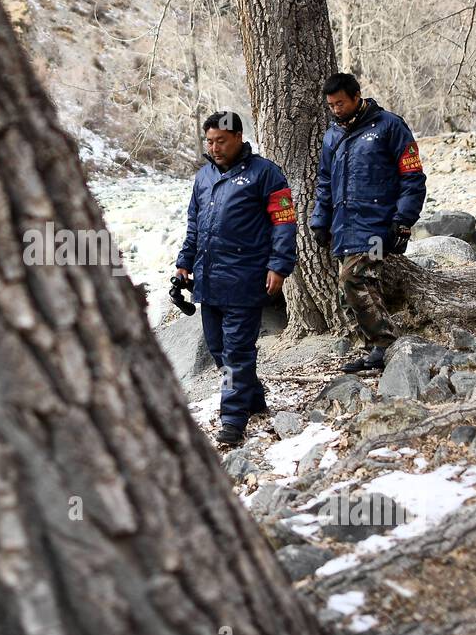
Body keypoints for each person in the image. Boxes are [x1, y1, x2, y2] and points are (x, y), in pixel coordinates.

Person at [175, 111, 298, 446]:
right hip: (208, 281)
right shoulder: (203, 178)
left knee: (237, 353)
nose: (214, 148)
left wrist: (279, 265)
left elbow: (284, 222)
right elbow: (194, 226)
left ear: (239, 137)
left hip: (246, 280)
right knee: (218, 350)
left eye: (221, 141)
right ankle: (254, 400)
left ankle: (233, 422)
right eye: (210, 141)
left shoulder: (266, 174)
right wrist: (184, 263)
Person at [310, 73, 427, 373]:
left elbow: (412, 177)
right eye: (331, 105)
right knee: (348, 292)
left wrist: (403, 222)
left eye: (340, 103)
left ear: (357, 95)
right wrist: (320, 222)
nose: (336, 110)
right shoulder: (332, 137)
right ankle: (375, 349)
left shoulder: (390, 126)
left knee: (355, 279)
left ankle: (387, 346)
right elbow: (325, 183)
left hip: (378, 226)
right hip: (344, 227)